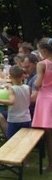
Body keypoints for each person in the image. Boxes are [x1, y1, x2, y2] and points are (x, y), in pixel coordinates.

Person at [0, 65, 32, 139]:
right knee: (24, 139)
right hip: (26, 118)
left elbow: (11, 102)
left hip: (14, 119)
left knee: (12, 139)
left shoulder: (12, 89)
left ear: (10, 76)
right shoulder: (28, 87)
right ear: (22, 76)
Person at [32, 41, 52, 170]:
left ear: (44, 51)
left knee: (49, 135)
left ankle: (51, 164)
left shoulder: (42, 64)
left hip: (46, 100)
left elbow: (37, 84)